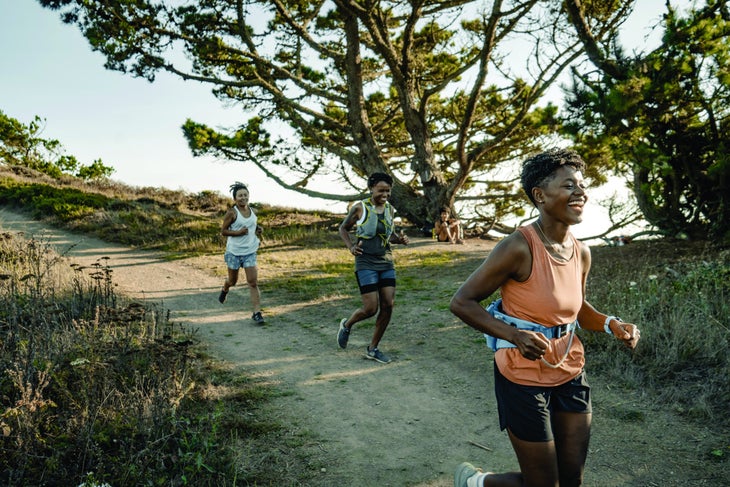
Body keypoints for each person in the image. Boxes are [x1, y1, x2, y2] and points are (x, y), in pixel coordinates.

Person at [449, 148, 640, 487]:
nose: (580, 192)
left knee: (570, 480)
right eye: (569, 185)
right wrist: (514, 335)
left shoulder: (581, 252)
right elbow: (462, 302)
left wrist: (612, 324)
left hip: (569, 370)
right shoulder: (518, 247)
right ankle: (477, 482)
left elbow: (576, 309)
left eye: (582, 184)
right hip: (521, 375)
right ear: (540, 195)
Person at [336, 172, 409, 364]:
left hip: (386, 261)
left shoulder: (390, 210)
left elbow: (388, 235)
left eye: (388, 190)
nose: (385, 194)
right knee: (370, 308)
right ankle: (347, 324)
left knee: (388, 305)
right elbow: (343, 228)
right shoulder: (360, 208)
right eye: (381, 190)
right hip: (365, 262)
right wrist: (351, 246)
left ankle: (373, 348)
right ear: (371, 189)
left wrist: (399, 240)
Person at [218, 181, 265, 324]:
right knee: (233, 281)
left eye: (245, 195)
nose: (243, 198)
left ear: (248, 196)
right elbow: (223, 231)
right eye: (240, 196)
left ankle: (257, 312)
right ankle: (225, 288)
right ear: (235, 199)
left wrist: (258, 229)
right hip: (234, 252)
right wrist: (238, 232)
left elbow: (252, 224)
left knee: (252, 282)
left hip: (250, 251)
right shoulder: (232, 213)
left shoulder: (253, 211)